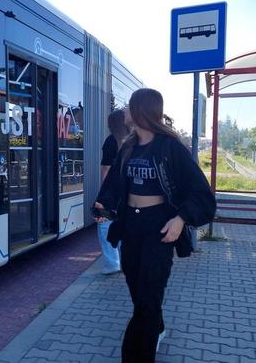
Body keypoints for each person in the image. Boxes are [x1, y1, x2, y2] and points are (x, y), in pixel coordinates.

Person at [94, 88, 216, 362]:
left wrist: (180, 218)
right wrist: (104, 206)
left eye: (129, 106)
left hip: (158, 228)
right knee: (138, 290)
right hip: (131, 226)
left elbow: (201, 193)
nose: (124, 111)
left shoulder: (170, 148)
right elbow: (114, 184)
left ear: (140, 111)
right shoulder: (128, 146)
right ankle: (157, 327)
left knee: (147, 301)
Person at [97, 109, 129, 275]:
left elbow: (106, 168)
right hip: (130, 190)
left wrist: (104, 193)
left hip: (113, 191)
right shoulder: (133, 140)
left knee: (104, 224)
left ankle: (112, 263)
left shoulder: (111, 141)